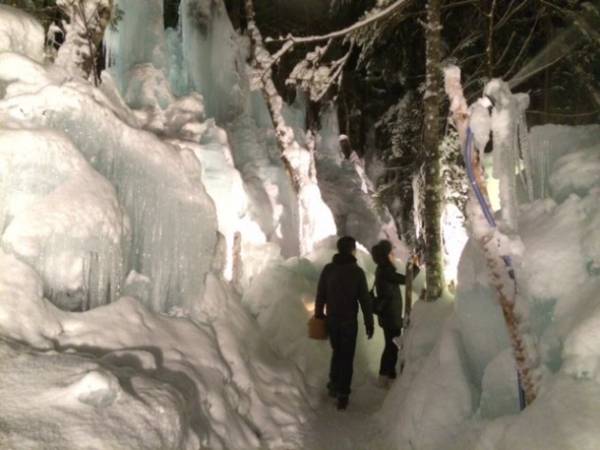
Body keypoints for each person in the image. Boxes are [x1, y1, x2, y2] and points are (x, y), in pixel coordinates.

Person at [314, 236, 374, 410]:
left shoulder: (329, 270)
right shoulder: (357, 272)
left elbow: (321, 294)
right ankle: (343, 393)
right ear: (352, 250)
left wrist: (319, 315)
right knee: (346, 357)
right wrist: (369, 323)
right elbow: (364, 300)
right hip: (349, 321)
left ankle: (334, 384)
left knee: (337, 352)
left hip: (332, 320)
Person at [371, 240, 419, 385]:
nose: (393, 255)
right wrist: (416, 267)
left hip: (388, 315)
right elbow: (406, 280)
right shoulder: (386, 271)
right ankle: (384, 375)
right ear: (386, 256)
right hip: (390, 316)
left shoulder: (383, 269)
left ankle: (389, 374)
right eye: (391, 253)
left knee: (391, 345)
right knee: (391, 346)